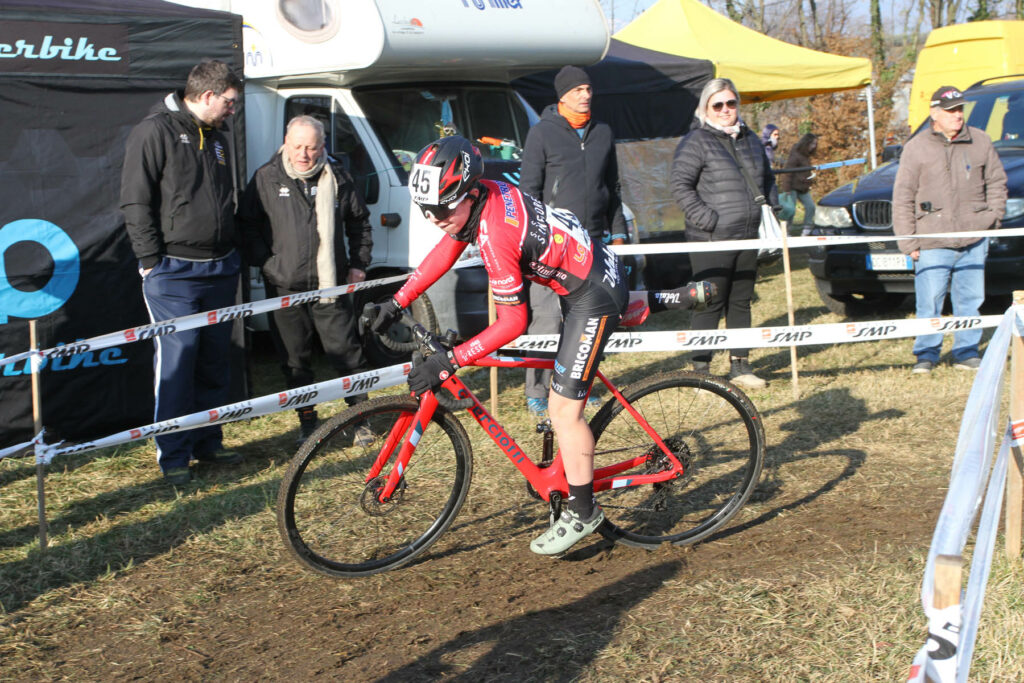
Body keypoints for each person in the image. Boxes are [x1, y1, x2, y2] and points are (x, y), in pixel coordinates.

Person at [369, 136, 712, 555]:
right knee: (563, 376)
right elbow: (448, 248)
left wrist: (452, 360)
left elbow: (514, 322)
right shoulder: (486, 195)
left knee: (563, 410)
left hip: (591, 295)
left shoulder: (496, 233)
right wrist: (397, 300)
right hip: (588, 272)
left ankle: (584, 512)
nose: (433, 218)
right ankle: (668, 298)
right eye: (426, 209)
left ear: (469, 194)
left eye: (441, 209)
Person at [120, 60, 244, 486]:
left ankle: (208, 442)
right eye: (229, 102)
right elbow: (135, 201)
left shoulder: (219, 137)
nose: (233, 110)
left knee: (214, 358)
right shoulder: (154, 131)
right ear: (208, 96)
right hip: (173, 272)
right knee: (178, 361)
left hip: (221, 267)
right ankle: (173, 456)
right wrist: (150, 261)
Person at [238, 115, 374, 442]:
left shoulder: (338, 176)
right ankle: (308, 422)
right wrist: (268, 264)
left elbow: (360, 223)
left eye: (311, 148)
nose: (303, 154)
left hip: (331, 284)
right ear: (286, 143)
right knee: (294, 360)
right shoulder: (265, 177)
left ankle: (360, 420)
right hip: (284, 285)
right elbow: (246, 225)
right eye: (297, 146)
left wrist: (359, 264)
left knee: (347, 354)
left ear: (322, 146)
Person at [518, 65, 628, 419]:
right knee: (547, 319)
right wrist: (532, 239)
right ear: (562, 96)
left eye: (589, 88)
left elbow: (612, 188)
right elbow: (528, 191)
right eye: (578, 89)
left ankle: (580, 387)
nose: (586, 94)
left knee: (585, 321)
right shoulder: (541, 133)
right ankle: (537, 391)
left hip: (592, 243)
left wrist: (619, 232)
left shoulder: (603, 132)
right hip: (550, 245)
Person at [670, 78, 776, 391]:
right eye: (718, 105)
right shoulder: (696, 141)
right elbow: (680, 186)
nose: (725, 110)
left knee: (741, 301)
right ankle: (701, 369)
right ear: (706, 109)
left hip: (748, 234)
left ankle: (740, 365)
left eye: (731, 103)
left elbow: (767, 178)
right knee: (709, 302)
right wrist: (708, 220)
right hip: (711, 238)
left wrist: (774, 208)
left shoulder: (750, 138)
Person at [893, 85, 1007, 374]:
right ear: (934, 114)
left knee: (970, 300)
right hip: (931, 239)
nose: (958, 115)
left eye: (960, 109)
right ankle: (926, 354)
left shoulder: (981, 140)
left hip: (974, 237)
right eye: (951, 110)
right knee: (929, 302)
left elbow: (996, 182)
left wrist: (992, 219)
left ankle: (966, 352)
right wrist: (908, 241)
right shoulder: (916, 147)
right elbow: (903, 196)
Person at [779, 133, 818, 230]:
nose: (814, 146)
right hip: (792, 187)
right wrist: (786, 188)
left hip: (803, 188)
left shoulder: (806, 155)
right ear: (806, 143)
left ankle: (807, 228)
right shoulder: (795, 155)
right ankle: (786, 230)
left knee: (811, 207)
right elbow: (788, 171)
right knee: (790, 210)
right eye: (812, 144)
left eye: (815, 144)